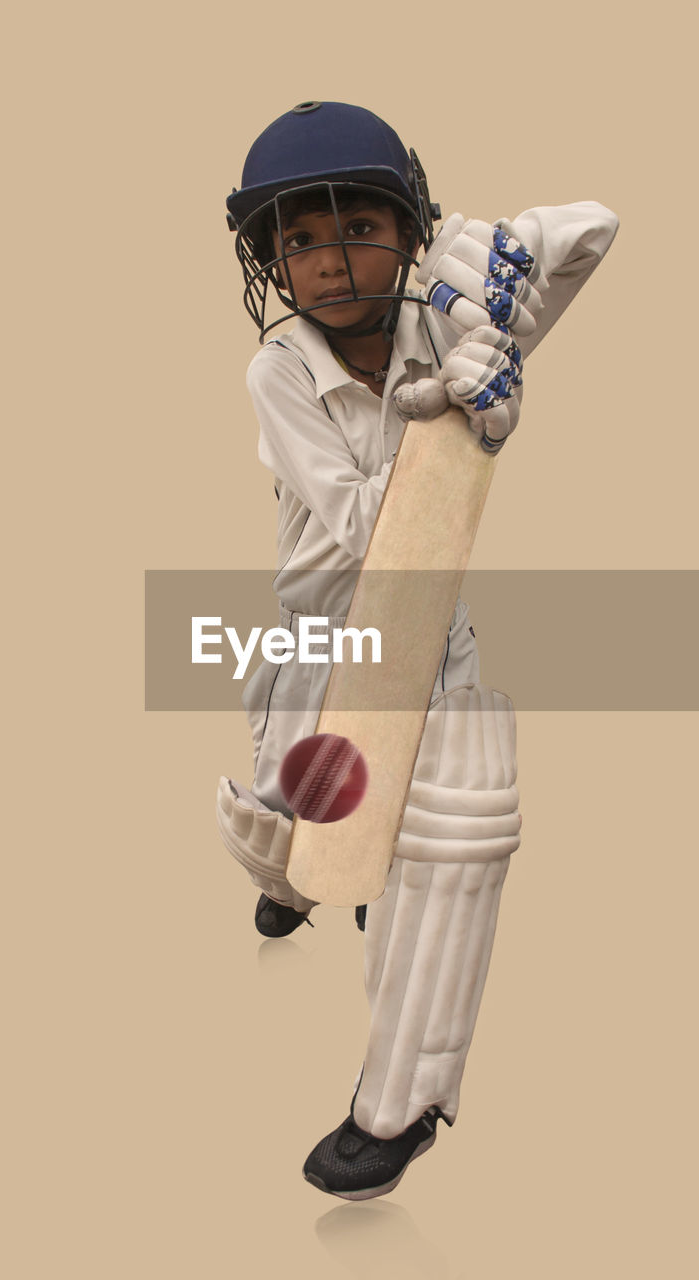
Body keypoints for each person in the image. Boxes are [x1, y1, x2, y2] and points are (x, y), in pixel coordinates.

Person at [216, 100, 618, 1200]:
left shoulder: (447, 312)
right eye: (297, 238)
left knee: (457, 835)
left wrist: (462, 294)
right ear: (270, 263)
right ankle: (297, 879)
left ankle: (397, 1105)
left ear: (405, 226)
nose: (330, 260)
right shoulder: (282, 372)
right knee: (297, 814)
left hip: (428, 640)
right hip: (315, 641)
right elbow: (363, 523)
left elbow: (594, 226)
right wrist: (460, 408)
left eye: (359, 226)